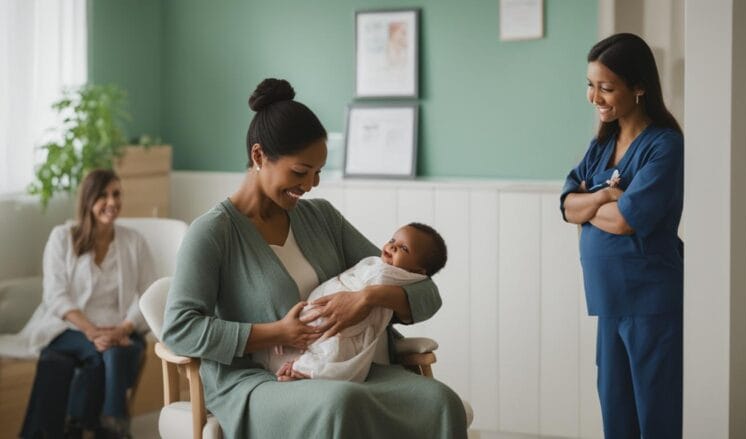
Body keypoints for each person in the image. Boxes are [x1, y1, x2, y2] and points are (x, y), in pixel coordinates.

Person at [161, 78, 467, 438]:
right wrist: (276, 332)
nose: (311, 185)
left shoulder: (321, 217)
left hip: (343, 371)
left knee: (441, 401)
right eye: (300, 172)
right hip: (259, 382)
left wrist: (367, 297)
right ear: (259, 156)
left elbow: (424, 291)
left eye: (318, 172)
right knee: (340, 403)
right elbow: (179, 328)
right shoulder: (213, 233)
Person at [560, 33, 684, 439]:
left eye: (607, 88)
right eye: (590, 85)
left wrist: (591, 202)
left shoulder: (664, 145)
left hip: (651, 301)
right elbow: (566, 206)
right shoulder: (602, 145)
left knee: (656, 413)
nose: (594, 97)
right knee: (616, 413)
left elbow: (626, 221)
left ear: (640, 87)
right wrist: (608, 195)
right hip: (608, 301)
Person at [11, 169, 156, 438]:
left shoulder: (133, 242)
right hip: (67, 328)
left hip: (117, 327)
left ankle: (74, 427)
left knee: (73, 358)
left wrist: (123, 329)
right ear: (88, 200)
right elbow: (55, 296)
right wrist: (93, 332)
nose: (112, 202)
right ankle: (107, 425)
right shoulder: (62, 237)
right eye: (103, 195)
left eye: (116, 194)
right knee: (104, 353)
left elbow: (149, 295)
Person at [270, 222, 447, 383]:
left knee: (336, 351)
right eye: (393, 240)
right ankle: (299, 365)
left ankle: (302, 368)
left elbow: (430, 296)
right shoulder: (378, 264)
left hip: (347, 328)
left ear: (417, 271)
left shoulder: (390, 275)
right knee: (324, 342)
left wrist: (368, 296)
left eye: (404, 248)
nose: (392, 246)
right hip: (317, 310)